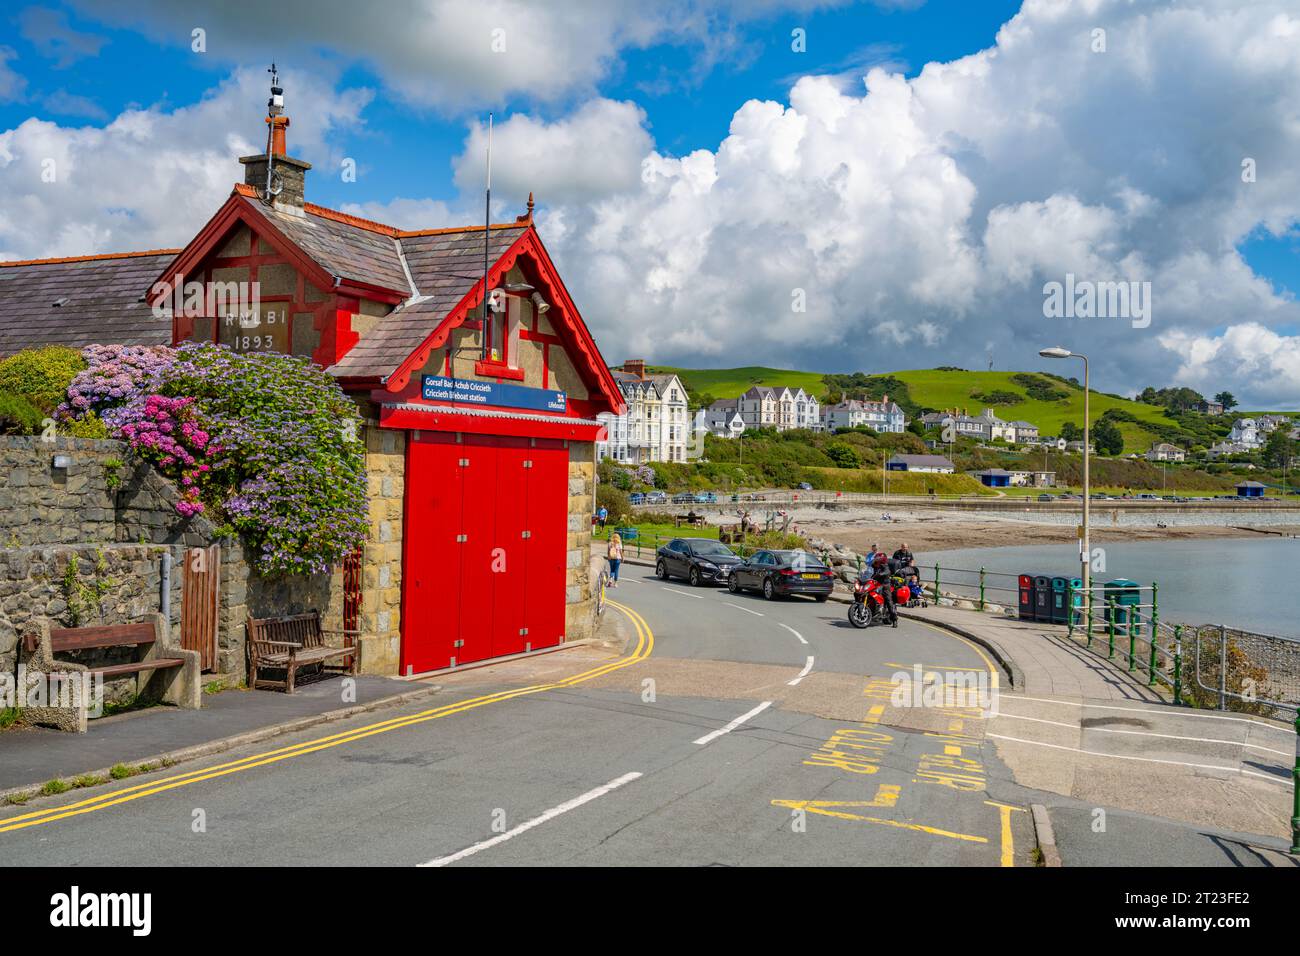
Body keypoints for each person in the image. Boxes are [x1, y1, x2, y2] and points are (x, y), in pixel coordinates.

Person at [868, 551, 899, 627]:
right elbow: (869, 571)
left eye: (878, 559)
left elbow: (887, 571)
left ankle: (894, 619)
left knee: (888, 600)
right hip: (876, 584)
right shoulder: (874, 566)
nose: (877, 560)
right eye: (876, 559)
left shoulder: (885, 566)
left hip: (885, 585)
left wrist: (880, 574)